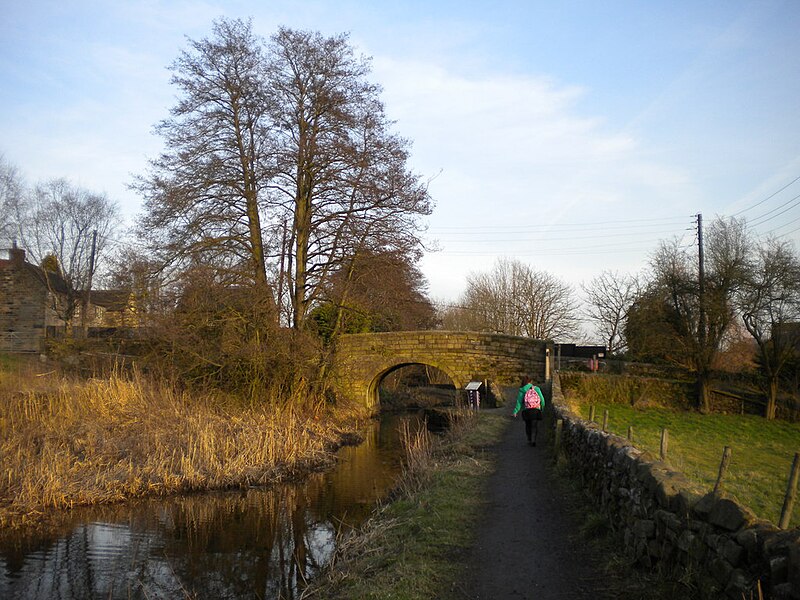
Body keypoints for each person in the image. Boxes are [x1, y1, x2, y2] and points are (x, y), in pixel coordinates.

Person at [513, 375, 545, 446]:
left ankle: (529, 439)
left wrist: (515, 411)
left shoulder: (522, 390)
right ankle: (534, 440)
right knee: (534, 426)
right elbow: (542, 400)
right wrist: (542, 408)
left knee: (528, 426)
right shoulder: (536, 388)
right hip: (536, 410)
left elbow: (519, 402)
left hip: (527, 410)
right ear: (530, 381)